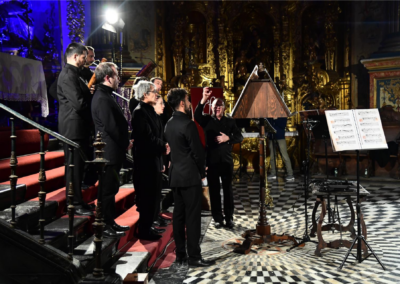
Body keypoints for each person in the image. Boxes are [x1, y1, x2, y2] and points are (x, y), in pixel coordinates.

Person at [164, 88, 215, 267]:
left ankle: (180, 254)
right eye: (187, 99)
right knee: (193, 217)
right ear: (181, 103)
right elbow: (198, 153)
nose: (189, 103)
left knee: (178, 216)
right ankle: (194, 256)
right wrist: (202, 173)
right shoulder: (188, 124)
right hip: (190, 176)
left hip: (176, 176)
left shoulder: (168, 124)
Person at [91, 62, 132, 238]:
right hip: (108, 153)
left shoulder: (105, 95)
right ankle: (104, 225)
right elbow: (112, 126)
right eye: (116, 76)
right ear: (107, 78)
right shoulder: (101, 97)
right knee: (106, 191)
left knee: (111, 189)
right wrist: (126, 143)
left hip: (112, 152)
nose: (118, 79)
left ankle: (110, 222)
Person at [194, 87, 243, 229]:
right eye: (215, 106)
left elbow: (239, 137)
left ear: (224, 108)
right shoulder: (208, 120)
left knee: (228, 191)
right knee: (214, 191)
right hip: (212, 161)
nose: (217, 109)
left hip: (227, 161)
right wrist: (204, 98)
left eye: (219, 106)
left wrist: (228, 138)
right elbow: (197, 115)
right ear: (212, 108)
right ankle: (217, 219)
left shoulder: (230, 121)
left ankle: (229, 218)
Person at [57, 43, 93, 216]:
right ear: (76, 56)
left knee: (79, 167)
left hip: (79, 127)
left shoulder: (74, 74)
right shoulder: (68, 75)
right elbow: (78, 103)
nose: (85, 60)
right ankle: (74, 202)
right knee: (74, 168)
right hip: (73, 128)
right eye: (84, 57)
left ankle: (79, 200)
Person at [131, 81, 170, 240]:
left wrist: (163, 147)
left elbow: (156, 135)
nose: (157, 94)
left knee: (153, 196)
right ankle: (144, 230)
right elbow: (146, 138)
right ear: (145, 94)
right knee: (147, 197)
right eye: (153, 91)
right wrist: (164, 145)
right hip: (145, 162)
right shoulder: (139, 112)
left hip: (153, 160)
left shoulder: (150, 111)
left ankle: (149, 226)